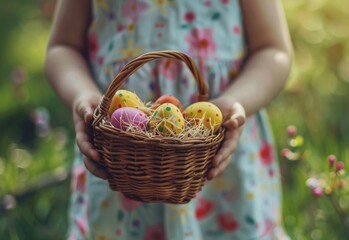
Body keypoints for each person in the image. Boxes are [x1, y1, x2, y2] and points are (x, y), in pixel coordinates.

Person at [45, 0, 293, 239]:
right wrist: (83, 95)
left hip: (219, 156)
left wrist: (236, 102)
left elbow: (272, 50)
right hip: (119, 152)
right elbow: (63, 47)